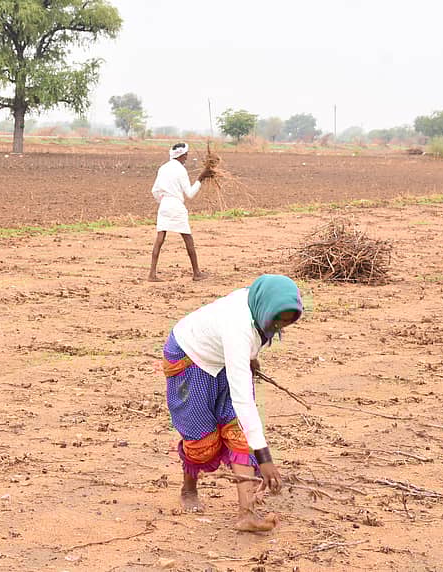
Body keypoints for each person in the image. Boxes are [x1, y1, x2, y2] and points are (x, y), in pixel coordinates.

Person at [162, 274, 303, 532]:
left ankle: (246, 514)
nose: (279, 327)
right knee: (200, 438)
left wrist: (249, 357)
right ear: (266, 309)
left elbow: (252, 337)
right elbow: (243, 400)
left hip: (223, 356)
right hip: (190, 356)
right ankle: (189, 487)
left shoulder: (257, 305)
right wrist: (265, 458)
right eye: (277, 321)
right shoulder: (237, 328)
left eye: (286, 322)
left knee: (238, 433)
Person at [148, 142, 208, 282]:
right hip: (176, 205)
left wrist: (163, 201)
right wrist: (201, 178)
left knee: (160, 239)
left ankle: (152, 273)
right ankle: (196, 273)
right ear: (181, 155)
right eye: (186, 154)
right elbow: (190, 194)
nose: (187, 157)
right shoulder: (181, 170)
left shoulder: (163, 168)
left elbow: (155, 191)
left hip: (164, 205)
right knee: (188, 239)